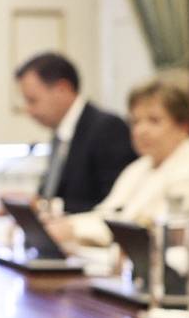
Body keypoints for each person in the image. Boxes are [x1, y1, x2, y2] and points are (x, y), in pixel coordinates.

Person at [48, 78, 189, 248]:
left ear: (184, 126)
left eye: (154, 121)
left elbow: (147, 229)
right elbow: (107, 213)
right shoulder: (139, 167)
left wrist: (73, 230)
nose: (141, 130)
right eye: (135, 121)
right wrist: (61, 224)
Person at [16, 51, 137, 214]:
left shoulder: (107, 128)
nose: (29, 110)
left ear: (62, 89)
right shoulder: (60, 133)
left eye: (32, 100)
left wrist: (47, 206)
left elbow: (114, 206)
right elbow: (50, 194)